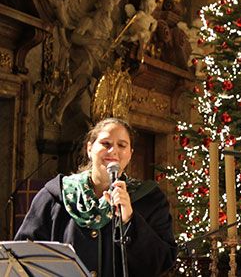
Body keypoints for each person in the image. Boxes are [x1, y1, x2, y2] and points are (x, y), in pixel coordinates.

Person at [15, 118, 177, 276]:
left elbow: (162, 263)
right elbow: (22, 255)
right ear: (89, 148)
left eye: (122, 145)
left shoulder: (150, 198)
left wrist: (130, 221)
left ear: (130, 154)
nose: (113, 151)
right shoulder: (55, 195)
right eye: (105, 144)